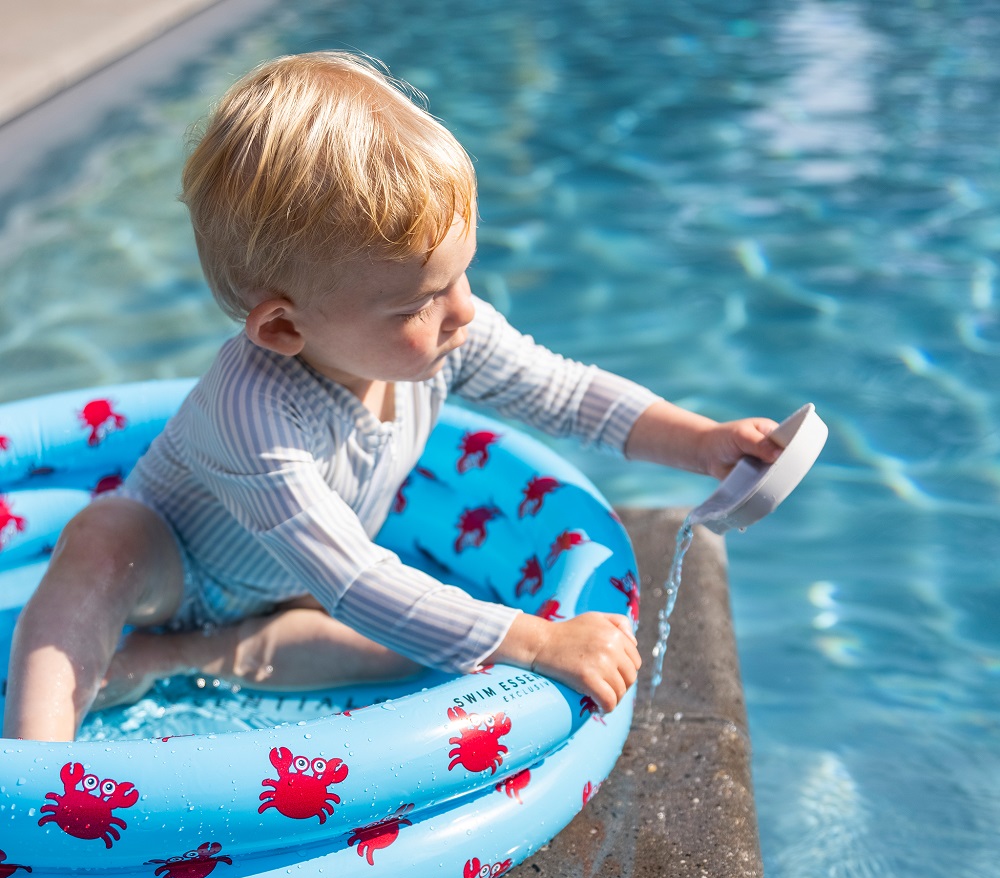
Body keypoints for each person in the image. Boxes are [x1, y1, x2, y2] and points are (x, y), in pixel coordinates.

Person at [1, 52, 781, 742]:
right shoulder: (250, 412)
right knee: (101, 539)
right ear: (282, 328)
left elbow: (569, 393)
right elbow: (354, 579)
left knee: (423, 655)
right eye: (419, 301)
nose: (464, 310)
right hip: (171, 569)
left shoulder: (444, 337)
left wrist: (703, 442)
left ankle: (188, 657)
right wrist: (538, 643)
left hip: (287, 592)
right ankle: (33, 791)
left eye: (461, 275)